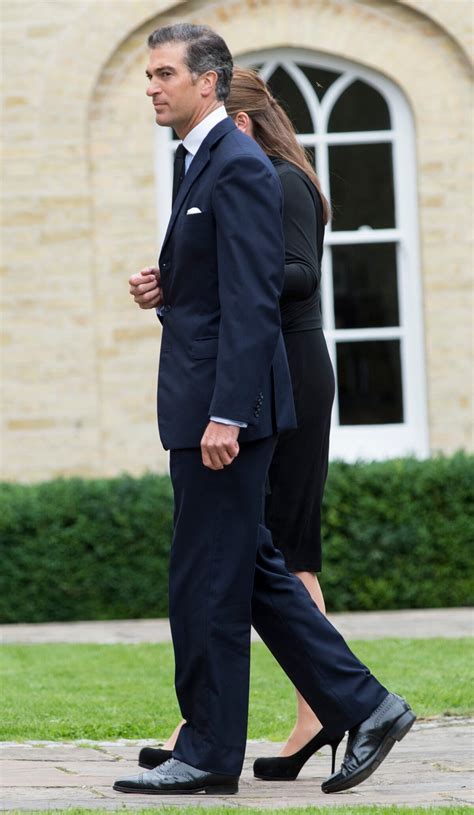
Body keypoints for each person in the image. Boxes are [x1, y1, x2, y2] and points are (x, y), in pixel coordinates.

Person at [113, 23, 415, 797]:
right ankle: (368, 705)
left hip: (223, 417)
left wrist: (227, 415)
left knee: (209, 580)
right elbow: (220, 289)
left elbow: (254, 302)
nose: (152, 86)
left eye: (164, 73)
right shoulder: (201, 160)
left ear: (208, 82)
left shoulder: (238, 165)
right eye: (149, 74)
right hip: (207, 406)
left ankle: (210, 752)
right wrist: (168, 286)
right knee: (246, 572)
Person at [137, 66, 337, 782]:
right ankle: (326, 707)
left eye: (166, 75)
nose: (156, 88)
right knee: (252, 551)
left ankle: (325, 710)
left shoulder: (271, 179)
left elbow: (290, 275)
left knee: (280, 551)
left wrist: (211, 270)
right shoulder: (252, 173)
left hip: (279, 377)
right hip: (256, 373)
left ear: (241, 120)